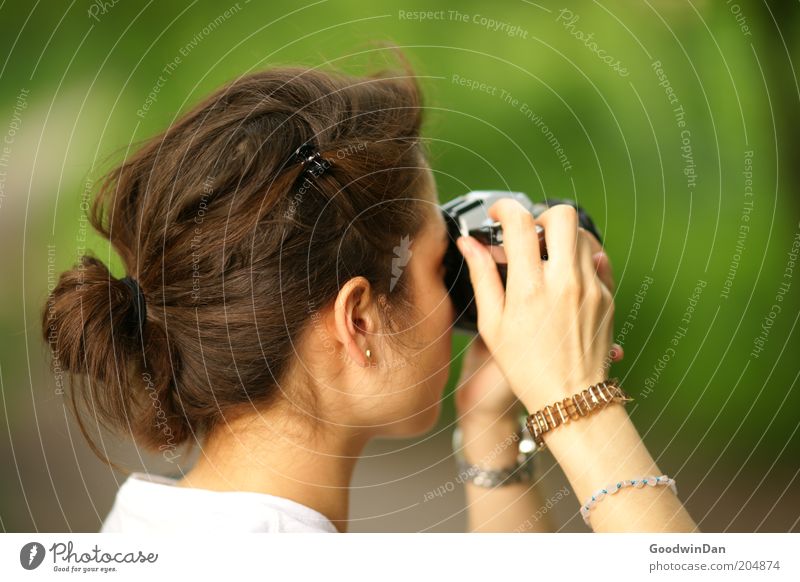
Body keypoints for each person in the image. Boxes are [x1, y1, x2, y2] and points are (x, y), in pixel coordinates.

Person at [42, 56, 696, 533]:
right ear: (358, 321)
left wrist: (489, 429)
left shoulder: (159, 525)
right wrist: (577, 406)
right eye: (442, 262)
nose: (458, 296)